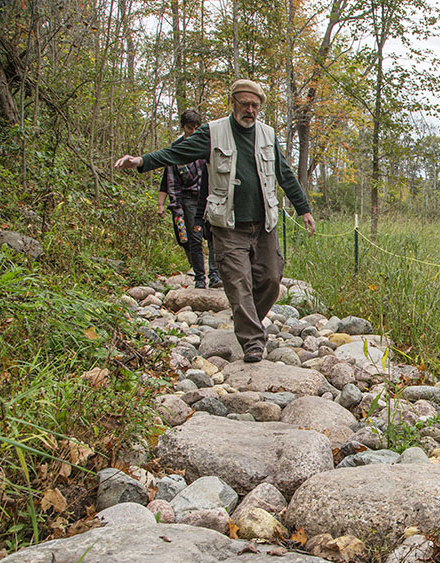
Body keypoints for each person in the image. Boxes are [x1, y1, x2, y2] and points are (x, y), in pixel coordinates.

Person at [115, 79, 315, 363]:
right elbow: (176, 153)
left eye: (255, 105)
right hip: (227, 224)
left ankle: (248, 322)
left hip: (264, 224)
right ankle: (253, 342)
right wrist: (141, 161)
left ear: (260, 108)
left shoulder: (268, 135)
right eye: (244, 103)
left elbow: (286, 175)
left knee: (271, 279)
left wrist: (303, 208)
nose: (249, 110)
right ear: (233, 102)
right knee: (238, 282)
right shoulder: (214, 132)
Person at [158, 109, 221, 289]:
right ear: (183, 127)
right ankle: (199, 277)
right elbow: (169, 181)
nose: (192, 133)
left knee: (213, 234)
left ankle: (215, 275)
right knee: (194, 236)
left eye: (196, 128)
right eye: (189, 129)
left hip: (210, 195)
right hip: (188, 197)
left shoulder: (207, 144)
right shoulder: (176, 149)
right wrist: (169, 205)